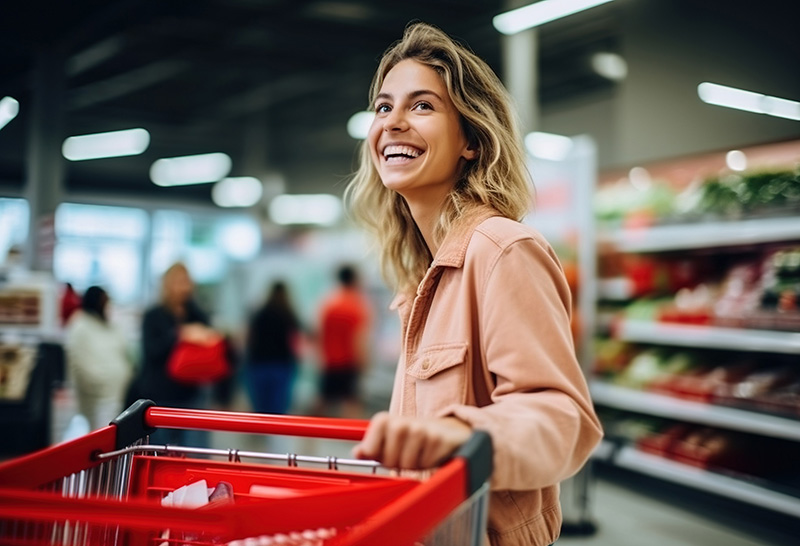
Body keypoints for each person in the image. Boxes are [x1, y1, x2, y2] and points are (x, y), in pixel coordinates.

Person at [345, 23, 603, 546]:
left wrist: (464, 436)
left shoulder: (503, 249)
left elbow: (563, 418)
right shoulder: (424, 275)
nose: (393, 122)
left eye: (421, 106)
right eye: (383, 107)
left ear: (469, 140)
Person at [138, 262, 217, 445]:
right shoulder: (154, 316)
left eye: (187, 281)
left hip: (191, 394)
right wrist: (181, 335)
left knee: (195, 451)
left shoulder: (197, 315)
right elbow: (152, 352)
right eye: (179, 281)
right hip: (161, 395)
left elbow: (211, 340)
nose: (184, 287)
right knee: (161, 452)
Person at [64, 286, 133, 431]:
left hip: (117, 395)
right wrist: (100, 383)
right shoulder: (79, 325)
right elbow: (79, 363)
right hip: (96, 400)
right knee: (101, 440)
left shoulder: (110, 325)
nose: (107, 305)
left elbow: (123, 351)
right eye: (104, 301)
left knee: (114, 440)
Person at [315, 264, 371, 418]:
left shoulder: (328, 304)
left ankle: (307, 439)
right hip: (348, 362)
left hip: (330, 362)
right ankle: (355, 439)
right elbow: (358, 339)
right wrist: (364, 362)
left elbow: (318, 334)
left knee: (322, 402)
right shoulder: (356, 305)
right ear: (354, 280)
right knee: (352, 403)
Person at [245, 280, 302, 414]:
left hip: (258, 362)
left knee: (260, 406)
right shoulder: (289, 314)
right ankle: (275, 433)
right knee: (279, 406)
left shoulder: (259, 313)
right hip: (282, 363)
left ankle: (260, 431)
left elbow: (250, 338)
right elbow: (295, 340)